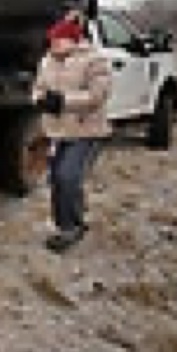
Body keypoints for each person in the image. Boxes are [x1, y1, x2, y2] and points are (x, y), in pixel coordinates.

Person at [33, 18, 112, 253]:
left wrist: (63, 101)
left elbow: (98, 95)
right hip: (58, 131)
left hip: (87, 131)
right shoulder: (46, 61)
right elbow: (38, 87)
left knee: (68, 176)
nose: (54, 44)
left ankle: (73, 227)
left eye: (59, 40)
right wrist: (40, 100)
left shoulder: (94, 61)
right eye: (52, 40)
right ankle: (63, 225)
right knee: (57, 179)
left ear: (73, 40)